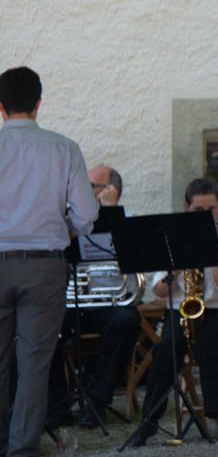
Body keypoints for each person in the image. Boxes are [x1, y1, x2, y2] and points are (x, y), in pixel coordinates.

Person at [0, 67, 98, 457]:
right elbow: (87, 215)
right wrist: (66, 228)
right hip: (44, 264)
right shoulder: (64, 147)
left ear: (0, 107)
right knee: (34, 365)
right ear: (39, 103)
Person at [130, 178, 218, 445]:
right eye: (198, 210)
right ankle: (149, 423)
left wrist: (208, 244)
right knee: (166, 347)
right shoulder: (173, 235)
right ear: (187, 207)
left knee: (207, 343)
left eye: (211, 209)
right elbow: (159, 292)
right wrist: (177, 268)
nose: (205, 215)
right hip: (182, 310)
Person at [56, 164, 140, 426]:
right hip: (73, 304)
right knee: (43, 325)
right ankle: (57, 406)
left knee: (125, 323)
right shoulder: (69, 221)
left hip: (110, 306)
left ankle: (98, 404)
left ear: (110, 190)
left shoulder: (126, 221)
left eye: (90, 186)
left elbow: (135, 263)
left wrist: (111, 212)